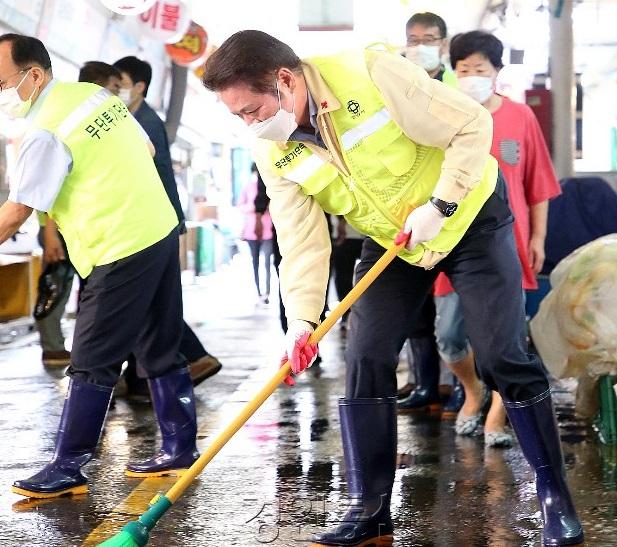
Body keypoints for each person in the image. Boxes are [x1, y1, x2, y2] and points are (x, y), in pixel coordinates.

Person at [203, 30, 583, 546]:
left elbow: (472, 123)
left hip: (470, 217)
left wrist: (443, 203)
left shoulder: (370, 72)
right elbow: (302, 243)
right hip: (394, 242)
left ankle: (554, 497)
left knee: (501, 354)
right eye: (237, 117)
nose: (250, 124)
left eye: (251, 110)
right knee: (365, 357)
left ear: (285, 80)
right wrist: (303, 323)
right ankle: (370, 507)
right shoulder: (274, 153)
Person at [0, 33, 199, 498]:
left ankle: (69, 463)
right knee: (158, 340)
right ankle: (179, 446)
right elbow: (146, 150)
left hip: (119, 243)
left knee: (91, 356)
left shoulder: (44, 128)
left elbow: (18, 209)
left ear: (34, 75)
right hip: (157, 227)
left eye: (1, 81)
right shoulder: (94, 96)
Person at [432, 31, 562, 448]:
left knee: (507, 342)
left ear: (497, 73)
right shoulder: (442, 117)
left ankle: (495, 414)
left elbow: (538, 182)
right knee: (449, 334)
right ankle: (473, 389)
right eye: (463, 70)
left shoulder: (521, 117)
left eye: (480, 70)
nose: (471, 77)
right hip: (453, 241)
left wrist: (538, 237)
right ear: (453, 73)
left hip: (510, 243)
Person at [113, 55, 222, 391]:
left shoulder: (143, 121)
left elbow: (156, 177)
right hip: (153, 223)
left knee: (149, 303)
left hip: (150, 226)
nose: (115, 93)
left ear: (139, 87)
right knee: (149, 302)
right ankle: (141, 376)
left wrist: (171, 225)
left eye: (120, 85)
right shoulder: (133, 118)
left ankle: (190, 357)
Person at [34, 62, 123, 368]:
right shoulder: (56, 122)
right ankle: (53, 347)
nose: (116, 94)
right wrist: (49, 231)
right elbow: (46, 188)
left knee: (79, 290)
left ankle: (69, 349)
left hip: (79, 228)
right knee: (55, 288)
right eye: (113, 87)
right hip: (58, 228)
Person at [398, 11, 464, 415]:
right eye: (413, 38)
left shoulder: (460, 87)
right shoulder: (395, 84)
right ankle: (425, 385)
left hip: (455, 211)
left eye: (429, 38)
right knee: (416, 307)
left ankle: (461, 386)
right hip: (410, 211)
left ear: (443, 43)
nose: (420, 45)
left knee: (459, 309)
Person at [238, 163, 273, 303]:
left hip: (268, 230)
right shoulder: (248, 187)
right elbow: (241, 205)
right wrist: (252, 208)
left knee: (267, 263)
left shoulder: (268, 186)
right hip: (251, 231)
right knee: (255, 263)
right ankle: (259, 293)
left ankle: (267, 293)